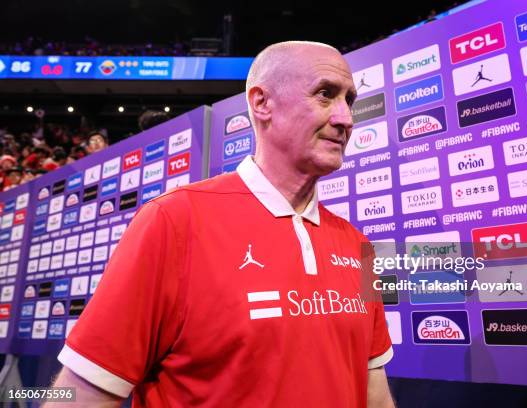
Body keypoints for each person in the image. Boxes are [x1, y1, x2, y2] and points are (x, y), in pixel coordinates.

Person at [49, 41, 394, 407]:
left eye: (349, 100)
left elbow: (375, 394)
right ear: (262, 103)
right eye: (325, 94)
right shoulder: (173, 221)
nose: (346, 119)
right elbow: (79, 396)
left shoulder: (358, 245)